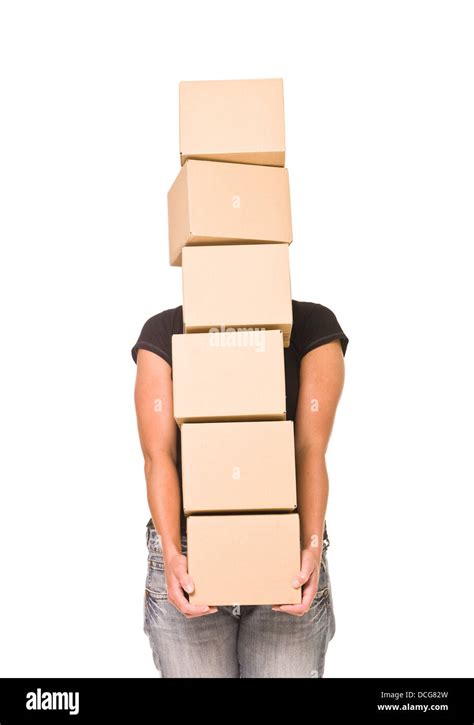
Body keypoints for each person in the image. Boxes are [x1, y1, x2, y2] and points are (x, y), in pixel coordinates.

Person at [131, 299, 348, 678]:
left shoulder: (313, 325)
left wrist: (311, 546)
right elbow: (158, 455)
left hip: (285, 551)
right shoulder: (163, 330)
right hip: (189, 556)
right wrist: (169, 552)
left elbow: (310, 450)